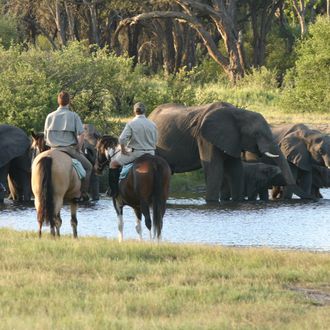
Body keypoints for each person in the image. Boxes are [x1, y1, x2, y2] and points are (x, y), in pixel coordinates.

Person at [44, 91, 92, 201]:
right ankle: (82, 193)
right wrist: (78, 148)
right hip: (68, 149)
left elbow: (46, 136)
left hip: (53, 149)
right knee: (89, 167)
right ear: (69, 101)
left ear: (58, 101)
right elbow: (81, 135)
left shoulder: (49, 116)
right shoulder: (74, 116)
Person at [108, 102, 158, 197]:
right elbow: (156, 140)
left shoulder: (131, 123)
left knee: (113, 164)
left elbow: (122, 139)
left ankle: (114, 191)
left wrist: (123, 149)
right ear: (145, 111)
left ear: (134, 111)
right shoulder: (152, 124)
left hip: (136, 153)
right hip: (151, 153)